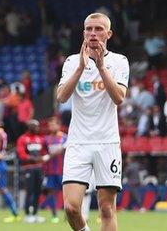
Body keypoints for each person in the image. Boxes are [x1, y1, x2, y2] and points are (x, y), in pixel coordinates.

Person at [56, 13, 129, 231]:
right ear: (83, 33)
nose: (93, 33)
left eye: (98, 29)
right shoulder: (71, 62)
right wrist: (80, 67)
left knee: (106, 209)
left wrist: (100, 67)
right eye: (89, 29)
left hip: (107, 143)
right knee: (71, 208)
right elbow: (61, 97)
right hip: (78, 142)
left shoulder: (119, 61)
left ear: (109, 34)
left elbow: (118, 98)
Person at [16, 119, 47, 223]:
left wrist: (42, 158)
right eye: (34, 126)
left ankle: (35, 214)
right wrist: (32, 159)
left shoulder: (40, 139)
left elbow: (44, 152)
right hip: (28, 168)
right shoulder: (23, 139)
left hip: (39, 168)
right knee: (29, 191)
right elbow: (21, 154)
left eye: (37, 126)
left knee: (38, 191)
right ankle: (27, 214)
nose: (37, 128)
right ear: (29, 127)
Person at [40, 117, 68, 224]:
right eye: (50, 125)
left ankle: (67, 215)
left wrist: (57, 151)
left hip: (63, 170)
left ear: (59, 125)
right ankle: (54, 215)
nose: (52, 127)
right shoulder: (46, 139)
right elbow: (43, 154)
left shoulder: (65, 138)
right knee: (51, 192)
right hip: (50, 171)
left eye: (54, 124)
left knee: (66, 194)